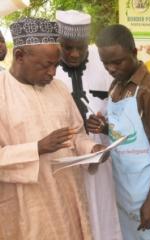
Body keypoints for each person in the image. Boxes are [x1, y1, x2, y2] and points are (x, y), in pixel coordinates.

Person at [0, 17, 104, 239]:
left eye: (55, 65)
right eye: (45, 65)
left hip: (69, 194)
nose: (52, 73)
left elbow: (76, 133)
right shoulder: (2, 93)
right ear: (19, 57)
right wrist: (37, 148)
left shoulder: (59, 89)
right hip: (28, 204)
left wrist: (91, 150)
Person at [88, 24, 150, 239]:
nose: (112, 69)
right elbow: (126, 133)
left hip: (147, 188)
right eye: (106, 63)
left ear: (134, 53)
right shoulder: (116, 86)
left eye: (117, 62)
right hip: (122, 187)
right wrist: (104, 128)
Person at [55, 10, 122, 240]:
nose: (74, 54)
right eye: (67, 47)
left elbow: (121, 104)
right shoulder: (47, 65)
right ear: (58, 43)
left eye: (80, 48)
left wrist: (105, 122)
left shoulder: (102, 60)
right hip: (65, 153)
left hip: (100, 150)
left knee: (103, 208)